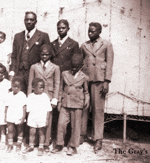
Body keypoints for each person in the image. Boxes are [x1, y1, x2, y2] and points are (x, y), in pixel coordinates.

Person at [80, 22, 114, 153]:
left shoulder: (106, 44)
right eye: (89, 31)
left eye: (93, 31)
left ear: (99, 32)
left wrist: (106, 81)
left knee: (98, 110)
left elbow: (110, 63)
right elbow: (81, 62)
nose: (90, 33)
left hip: (99, 81)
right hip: (86, 80)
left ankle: (98, 138)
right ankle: (81, 135)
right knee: (84, 107)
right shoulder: (84, 45)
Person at [51, 54, 90, 156]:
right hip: (65, 103)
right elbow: (60, 89)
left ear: (81, 66)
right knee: (61, 124)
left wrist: (87, 100)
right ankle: (59, 144)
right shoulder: (64, 74)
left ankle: (72, 146)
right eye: (72, 66)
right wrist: (59, 101)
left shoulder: (84, 77)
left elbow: (86, 91)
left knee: (76, 126)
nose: (74, 68)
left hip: (77, 104)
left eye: (76, 67)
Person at [51, 19, 81, 144]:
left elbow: (77, 61)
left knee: (67, 108)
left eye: (63, 28)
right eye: (59, 28)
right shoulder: (53, 44)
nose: (61, 30)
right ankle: (55, 137)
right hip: (56, 79)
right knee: (56, 107)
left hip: (68, 80)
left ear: (68, 28)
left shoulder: (73, 44)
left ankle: (68, 138)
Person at [27, 44, 60, 152]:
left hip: (49, 96)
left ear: (50, 55)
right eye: (42, 54)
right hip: (36, 96)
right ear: (39, 54)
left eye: (47, 54)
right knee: (35, 118)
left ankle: (45, 142)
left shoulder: (55, 67)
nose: (44, 56)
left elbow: (57, 84)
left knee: (47, 119)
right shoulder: (34, 67)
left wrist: (55, 98)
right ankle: (34, 142)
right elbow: (30, 84)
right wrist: (29, 98)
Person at [10, 11, 50, 94]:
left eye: (31, 20)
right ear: (24, 21)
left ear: (36, 21)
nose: (29, 22)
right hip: (19, 73)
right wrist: (12, 72)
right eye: (27, 19)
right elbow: (14, 56)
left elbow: (47, 56)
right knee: (19, 98)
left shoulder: (43, 36)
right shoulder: (18, 36)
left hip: (34, 74)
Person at [23, 78, 52, 156]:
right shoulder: (30, 96)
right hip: (33, 117)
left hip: (42, 117)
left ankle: (41, 147)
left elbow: (48, 109)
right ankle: (31, 146)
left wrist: (47, 120)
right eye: (40, 87)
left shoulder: (45, 96)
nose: (42, 89)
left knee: (41, 133)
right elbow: (28, 109)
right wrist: (28, 118)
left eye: (43, 87)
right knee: (32, 132)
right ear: (33, 88)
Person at [5, 76, 27, 153]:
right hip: (10, 115)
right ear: (11, 86)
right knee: (10, 130)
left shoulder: (22, 95)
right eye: (14, 86)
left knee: (20, 130)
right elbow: (6, 106)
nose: (16, 88)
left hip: (19, 115)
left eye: (18, 87)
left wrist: (23, 117)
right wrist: (5, 116)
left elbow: (24, 107)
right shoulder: (9, 95)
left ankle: (19, 144)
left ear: (21, 87)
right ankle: (10, 145)